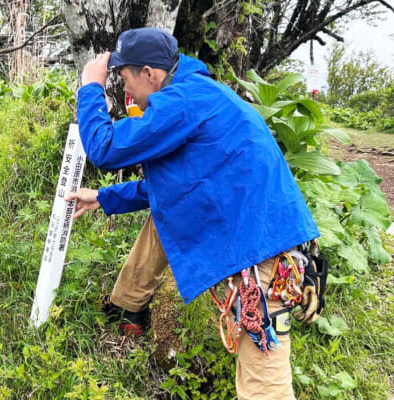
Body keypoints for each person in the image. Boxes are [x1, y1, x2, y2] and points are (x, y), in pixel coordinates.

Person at [66, 27, 321, 400]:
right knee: (164, 216)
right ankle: (126, 310)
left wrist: (90, 87)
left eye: (124, 80)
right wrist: (104, 198)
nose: (124, 93)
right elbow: (176, 189)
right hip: (259, 230)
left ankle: (128, 310)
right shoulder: (195, 95)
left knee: (265, 383)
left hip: (262, 256)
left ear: (149, 74)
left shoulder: (182, 101)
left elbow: (104, 149)